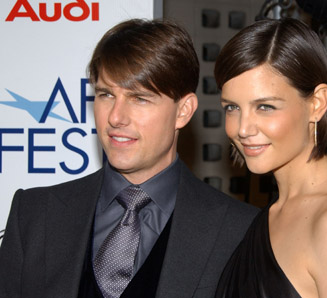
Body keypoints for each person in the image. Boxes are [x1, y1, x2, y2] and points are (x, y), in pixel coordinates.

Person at [0, 19, 259, 298]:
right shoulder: (34, 215)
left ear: (183, 111)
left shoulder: (240, 231)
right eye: (106, 94)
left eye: (139, 98)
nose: (115, 117)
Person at [213, 18, 327, 298]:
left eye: (265, 107)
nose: (242, 128)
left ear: (316, 104)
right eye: (232, 107)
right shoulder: (276, 209)